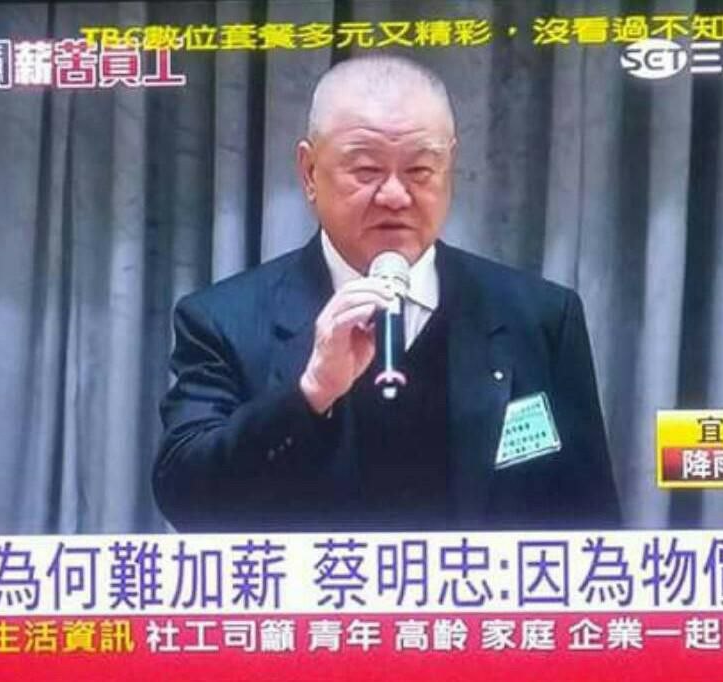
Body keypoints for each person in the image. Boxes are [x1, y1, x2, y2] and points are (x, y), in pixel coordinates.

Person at [154, 55, 620, 532]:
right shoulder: (222, 320)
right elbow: (185, 496)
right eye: (365, 170)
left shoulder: (539, 317)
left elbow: (592, 523)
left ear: (449, 168)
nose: (395, 196)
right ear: (310, 172)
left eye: (420, 170)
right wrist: (309, 394)